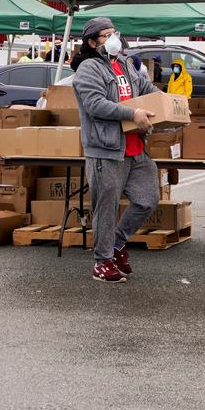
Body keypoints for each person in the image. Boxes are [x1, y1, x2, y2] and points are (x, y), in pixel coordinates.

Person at [70, 18, 160, 284]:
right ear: (91, 42)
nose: (113, 39)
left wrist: (171, 103)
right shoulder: (88, 68)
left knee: (147, 199)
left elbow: (146, 89)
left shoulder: (125, 64)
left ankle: (118, 243)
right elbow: (95, 104)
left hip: (135, 146)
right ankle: (102, 261)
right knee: (106, 208)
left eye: (114, 33)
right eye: (106, 35)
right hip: (106, 149)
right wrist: (132, 112)